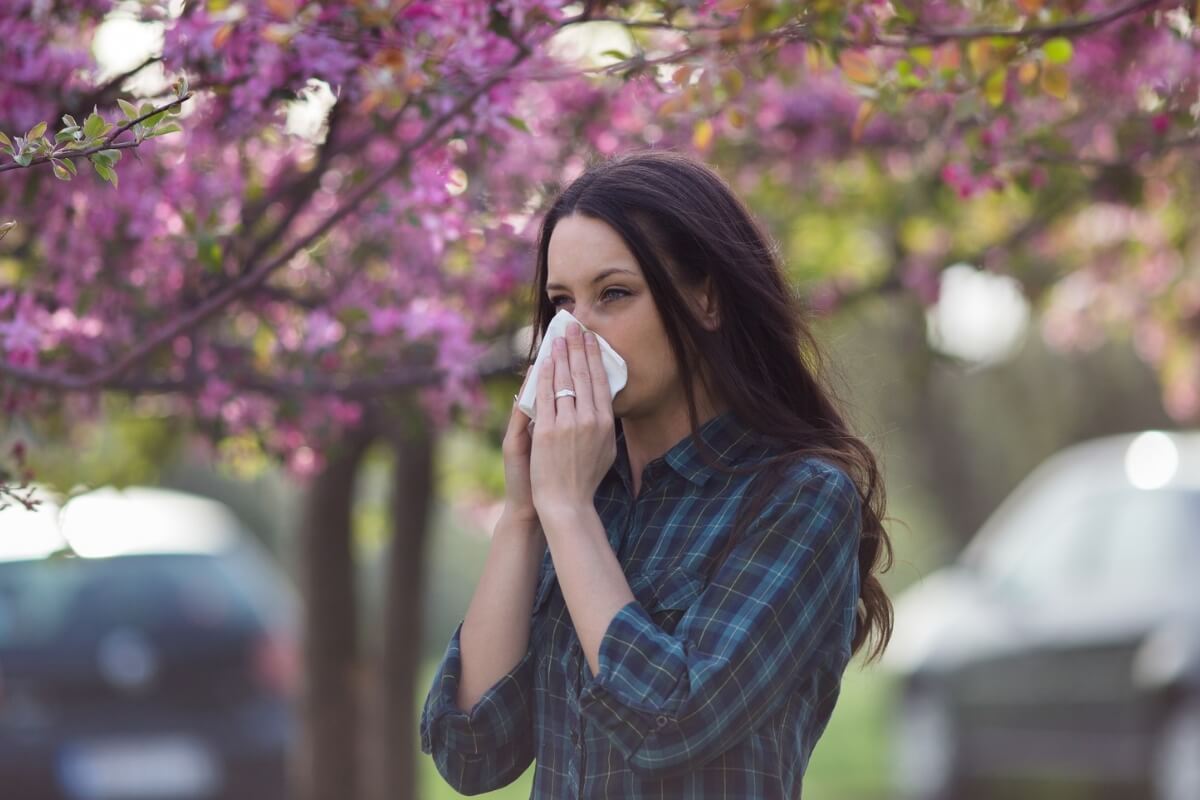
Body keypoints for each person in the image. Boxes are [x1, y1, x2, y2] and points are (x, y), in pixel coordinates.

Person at [420, 149, 894, 798]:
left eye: (613, 294)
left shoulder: (798, 498)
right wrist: (526, 516)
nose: (576, 336)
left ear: (706, 299)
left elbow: (672, 724)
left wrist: (568, 515)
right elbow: (469, 753)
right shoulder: (582, 498)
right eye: (562, 304)